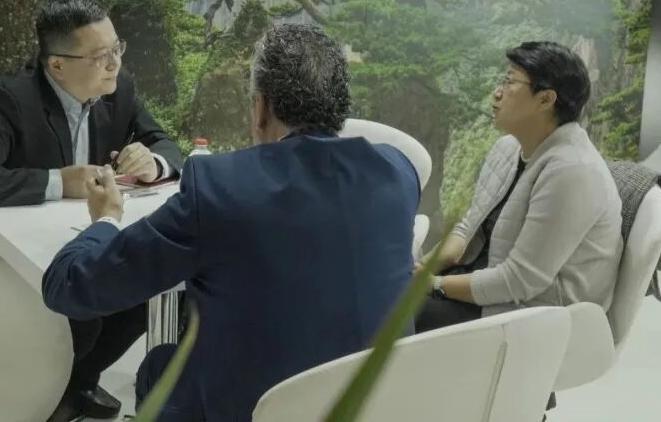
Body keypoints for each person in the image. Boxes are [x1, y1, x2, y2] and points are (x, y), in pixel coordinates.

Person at [42, 24, 421, 421]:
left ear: (260, 107)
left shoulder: (221, 188)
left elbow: (70, 286)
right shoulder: (398, 173)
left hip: (256, 410)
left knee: (158, 364)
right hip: (376, 406)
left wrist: (106, 219)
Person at [0, 0, 184, 420]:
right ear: (57, 65)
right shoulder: (10, 101)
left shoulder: (118, 89)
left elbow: (163, 143)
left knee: (144, 285)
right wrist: (57, 181)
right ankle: (36, 397)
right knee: (82, 313)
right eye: (100, 56)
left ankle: (74, 383)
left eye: (117, 48)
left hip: (72, 238)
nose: (115, 64)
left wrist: (152, 163)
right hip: (4, 257)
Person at [416, 41, 622, 332]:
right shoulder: (507, 149)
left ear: (545, 99)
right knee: (383, 296)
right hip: (487, 291)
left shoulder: (573, 171)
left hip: (533, 317)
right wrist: (421, 270)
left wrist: (434, 285)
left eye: (509, 81)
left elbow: (521, 280)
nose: (497, 92)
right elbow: (468, 229)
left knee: (387, 314)